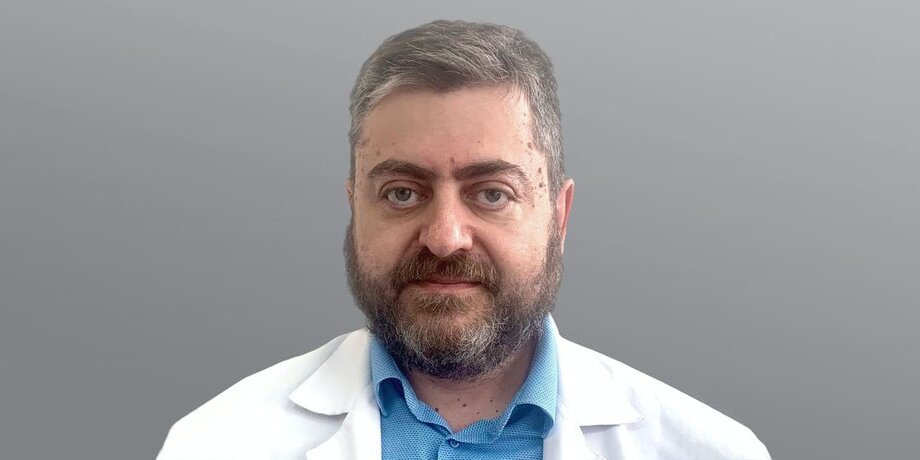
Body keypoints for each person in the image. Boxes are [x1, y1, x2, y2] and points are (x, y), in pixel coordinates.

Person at [157, 20, 770, 460]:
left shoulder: (711, 451)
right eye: (402, 192)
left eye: (491, 193)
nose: (446, 238)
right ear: (354, 209)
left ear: (559, 215)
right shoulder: (215, 444)